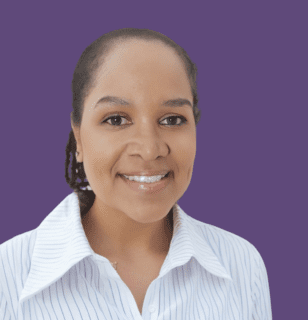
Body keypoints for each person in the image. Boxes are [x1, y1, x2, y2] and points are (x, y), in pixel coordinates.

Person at [0, 28, 272, 319]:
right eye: (116, 119)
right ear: (78, 137)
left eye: (172, 119)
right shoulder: (8, 275)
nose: (149, 148)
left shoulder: (242, 265)